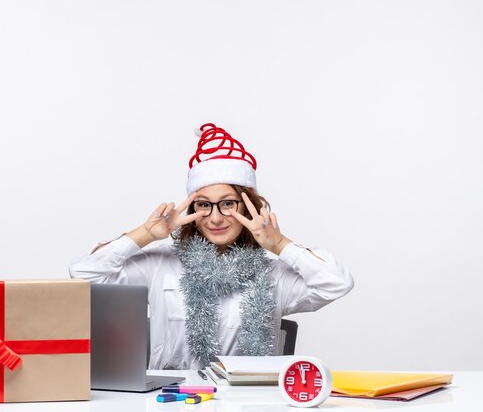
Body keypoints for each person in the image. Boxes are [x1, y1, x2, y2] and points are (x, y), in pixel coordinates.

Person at [69, 123, 354, 370]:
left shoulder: (274, 274)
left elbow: (336, 283)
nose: (215, 217)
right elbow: (84, 275)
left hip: (247, 401)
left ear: (248, 205)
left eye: (228, 203)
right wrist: (146, 234)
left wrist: (279, 244)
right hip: (171, 398)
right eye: (204, 204)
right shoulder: (160, 263)